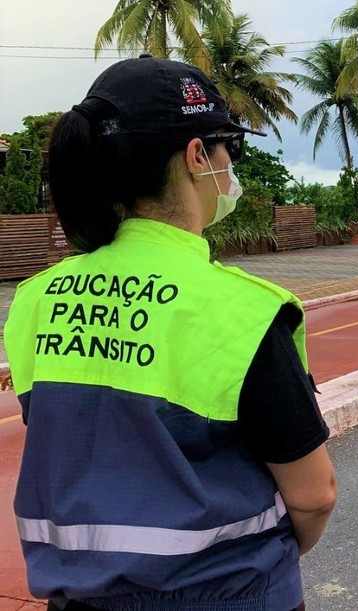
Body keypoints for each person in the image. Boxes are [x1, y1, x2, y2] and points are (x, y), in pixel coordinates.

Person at [2, 56, 336, 610]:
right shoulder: (241, 310)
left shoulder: (37, 300)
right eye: (228, 145)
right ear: (197, 156)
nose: (232, 164)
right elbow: (315, 495)